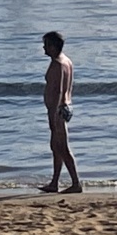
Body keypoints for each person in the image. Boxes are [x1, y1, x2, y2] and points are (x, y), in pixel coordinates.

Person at [39, 30, 81, 194]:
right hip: (63, 107)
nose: (44, 48)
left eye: (46, 45)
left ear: (54, 46)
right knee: (55, 146)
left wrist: (54, 114)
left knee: (62, 147)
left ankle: (76, 183)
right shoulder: (66, 61)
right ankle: (54, 182)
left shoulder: (58, 64)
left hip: (58, 109)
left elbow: (59, 90)